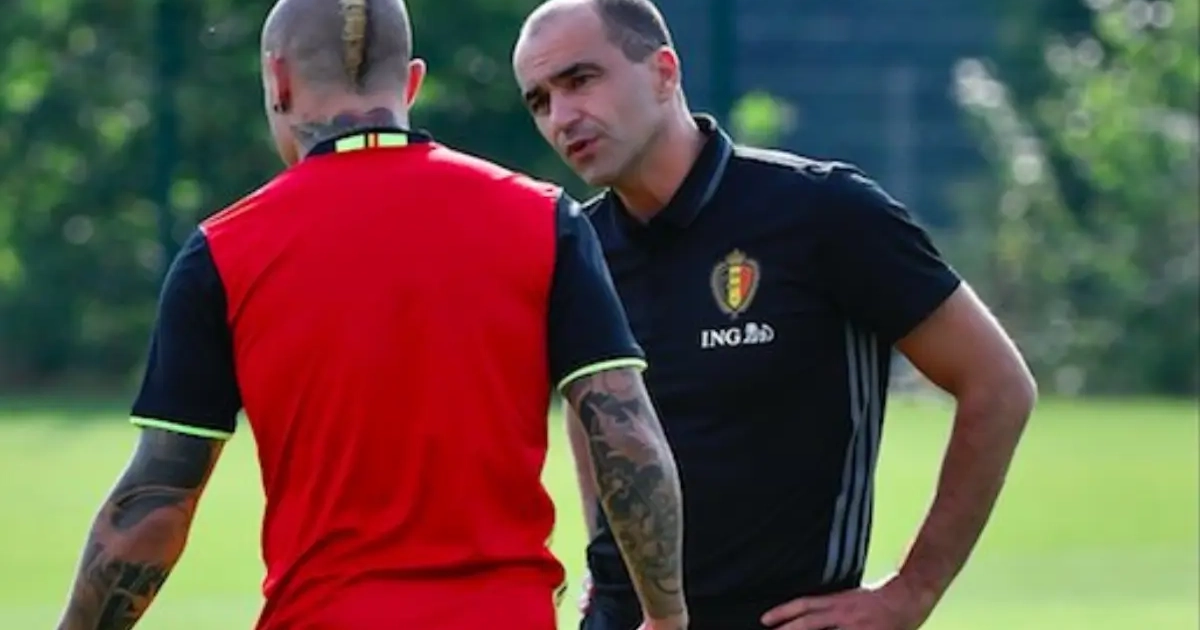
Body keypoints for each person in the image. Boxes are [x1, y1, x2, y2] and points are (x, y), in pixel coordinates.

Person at [54, 1, 689, 629]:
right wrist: (665, 615)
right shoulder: (546, 220)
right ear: (411, 81)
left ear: (278, 79)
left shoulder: (223, 252)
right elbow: (626, 432)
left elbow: (158, 498)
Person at [512, 1, 1038, 629]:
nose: (562, 117)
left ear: (663, 72)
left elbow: (998, 385)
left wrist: (913, 589)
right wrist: (609, 571)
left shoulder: (824, 213)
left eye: (580, 80)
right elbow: (597, 409)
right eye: (540, 101)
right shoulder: (576, 246)